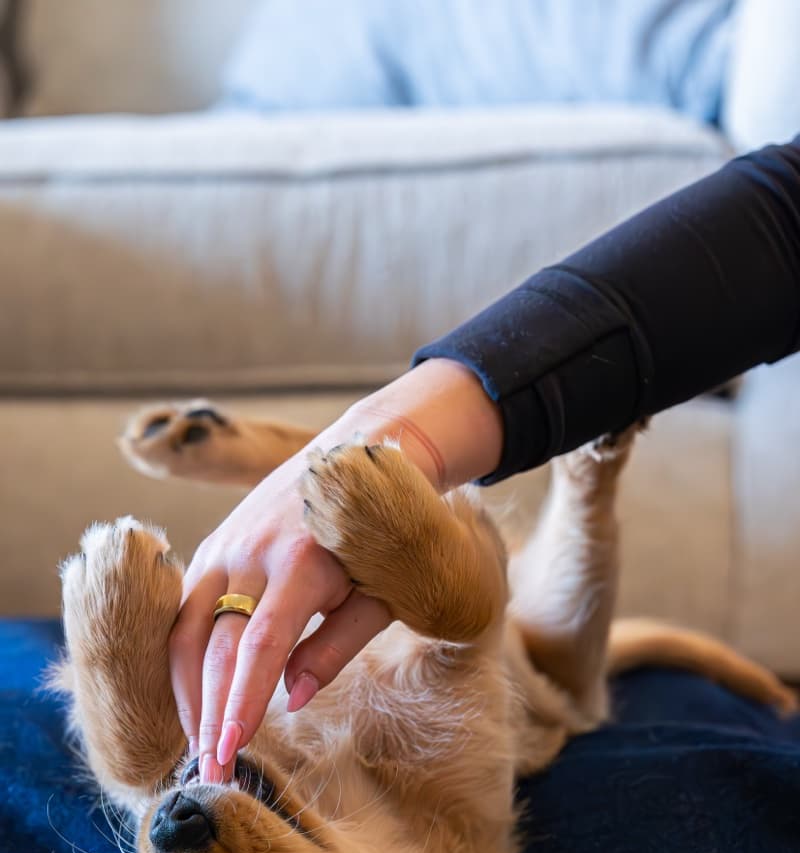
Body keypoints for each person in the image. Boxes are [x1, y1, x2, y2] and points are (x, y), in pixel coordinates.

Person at [3, 136, 799, 853]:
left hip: (354, 548)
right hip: (519, 646)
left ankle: (303, 470)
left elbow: (148, 780)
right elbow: (464, 622)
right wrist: (408, 514)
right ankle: (589, 465)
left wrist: (121, 682)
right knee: (550, 650)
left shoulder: (214, 828)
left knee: (161, 750)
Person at [169, 135, 800, 785]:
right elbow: (784, 218)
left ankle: (339, 472)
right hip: (522, 658)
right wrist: (391, 434)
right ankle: (586, 468)